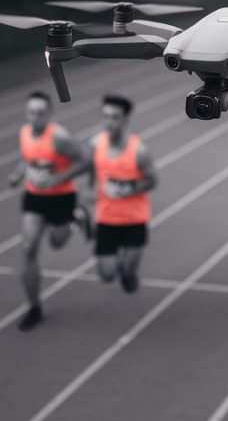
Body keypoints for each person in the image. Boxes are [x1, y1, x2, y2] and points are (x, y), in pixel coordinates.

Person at [46, 95, 158, 297]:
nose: (108, 122)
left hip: (134, 219)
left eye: (114, 117)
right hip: (106, 218)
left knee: (128, 273)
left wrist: (129, 188)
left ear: (125, 119)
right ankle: (83, 221)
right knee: (107, 275)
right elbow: (86, 166)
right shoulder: (96, 144)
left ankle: (128, 272)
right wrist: (61, 179)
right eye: (105, 116)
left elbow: (152, 180)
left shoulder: (139, 150)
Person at [8, 91, 87, 332]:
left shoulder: (60, 137)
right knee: (28, 249)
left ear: (49, 113)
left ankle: (78, 217)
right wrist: (18, 175)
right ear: (26, 113)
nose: (35, 117)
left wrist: (56, 180)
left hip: (62, 198)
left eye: (40, 113)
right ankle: (34, 307)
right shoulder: (24, 132)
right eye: (31, 112)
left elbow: (83, 161)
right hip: (34, 198)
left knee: (57, 242)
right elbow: (28, 158)